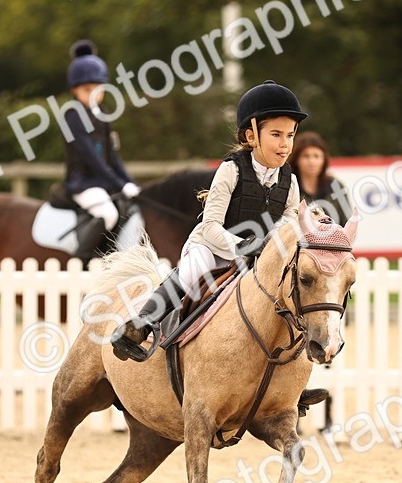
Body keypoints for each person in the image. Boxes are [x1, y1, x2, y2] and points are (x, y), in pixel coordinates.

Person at [109, 80, 307, 361]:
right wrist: (243, 247)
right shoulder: (230, 170)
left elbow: (287, 225)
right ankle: (142, 324)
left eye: (290, 135)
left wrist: (272, 247)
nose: (285, 144)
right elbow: (211, 226)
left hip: (258, 258)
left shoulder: (291, 181)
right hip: (211, 249)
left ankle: (295, 379)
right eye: (276, 134)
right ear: (251, 136)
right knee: (191, 272)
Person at [61, 40, 140, 263]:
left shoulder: (102, 113)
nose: (94, 93)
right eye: (88, 89)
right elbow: (91, 157)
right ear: (75, 90)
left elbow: (111, 156)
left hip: (101, 182)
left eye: (99, 88)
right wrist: (119, 184)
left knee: (129, 209)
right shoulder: (73, 114)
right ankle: (79, 262)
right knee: (109, 214)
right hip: (83, 183)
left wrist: (129, 181)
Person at [288, 132, 351, 225]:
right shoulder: (288, 185)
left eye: (316, 156)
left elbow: (348, 224)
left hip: (333, 238)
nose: (312, 161)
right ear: (296, 159)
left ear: (324, 159)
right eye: (306, 156)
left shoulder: (336, 186)